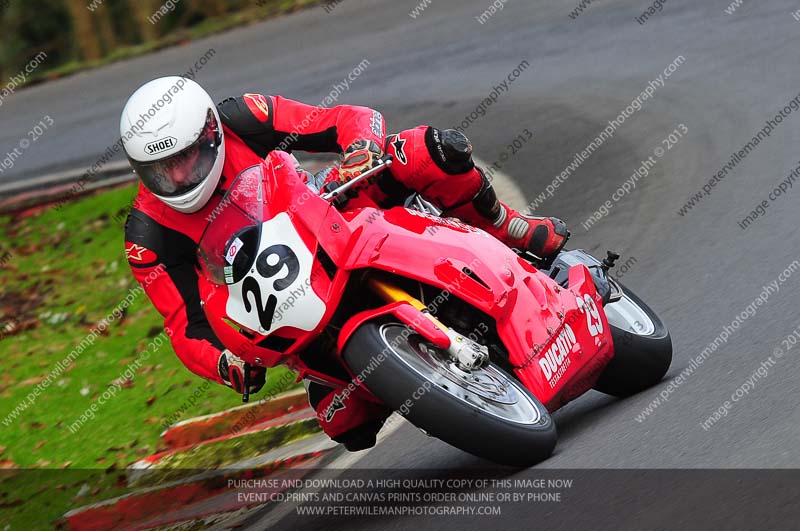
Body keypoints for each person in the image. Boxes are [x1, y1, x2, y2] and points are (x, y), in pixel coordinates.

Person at [121, 76, 568, 451]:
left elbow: (343, 119)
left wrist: (361, 149)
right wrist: (223, 363)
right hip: (287, 306)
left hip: (325, 214)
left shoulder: (244, 117)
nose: (176, 177)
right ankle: (401, 377)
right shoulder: (147, 234)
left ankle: (505, 227)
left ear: (211, 134)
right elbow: (184, 325)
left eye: (184, 158)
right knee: (345, 422)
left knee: (428, 150)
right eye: (160, 169)